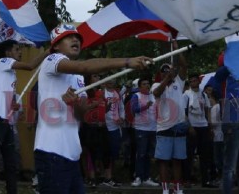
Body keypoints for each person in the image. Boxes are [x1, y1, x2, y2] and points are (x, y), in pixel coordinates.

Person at [34, 24, 151, 194]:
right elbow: (85, 66)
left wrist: (75, 103)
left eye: (77, 37)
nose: (75, 39)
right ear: (56, 46)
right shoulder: (51, 60)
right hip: (51, 153)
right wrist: (127, 62)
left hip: (72, 155)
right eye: (68, 37)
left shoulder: (78, 77)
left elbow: (81, 115)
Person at [0, 40, 50, 194]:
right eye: (17, 49)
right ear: (8, 52)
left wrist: (13, 104)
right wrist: (48, 52)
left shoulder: (9, 70)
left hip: (6, 122)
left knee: (11, 164)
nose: (20, 52)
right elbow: (30, 66)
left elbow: (4, 94)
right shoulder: (4, 61)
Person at [207, 52, 239, 194]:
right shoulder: (221, 75)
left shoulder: (236, 78)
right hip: (231, 122)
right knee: (229, 167)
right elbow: (212, 88)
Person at [152, 41, 188, 194]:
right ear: (161, 74)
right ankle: (165, 190)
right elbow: (156, 94)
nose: (168, 72)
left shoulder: (179, 82)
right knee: (164, 161)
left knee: (177, 160)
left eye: (169, 70)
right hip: (164, 128)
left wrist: (177, 49)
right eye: (164, 71)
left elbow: (184, 66)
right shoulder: (157, 85)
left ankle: (178, 189)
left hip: (179, 126)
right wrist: (166, 79)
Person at [182, 73, 215, 188]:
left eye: (195, 81)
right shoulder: (186, 94)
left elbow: (207, 110)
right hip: (192, 125)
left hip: (203, 125)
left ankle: (205, 180)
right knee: (189, 154)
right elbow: (184, 112)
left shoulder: (203, 94)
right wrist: (189, 126)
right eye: (191, 81)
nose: (193, 83)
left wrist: (209, 125)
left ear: (199, 82)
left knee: (205, 155)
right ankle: (186, 179)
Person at [131, 76, 159, 187]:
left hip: (153, 129)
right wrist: (145, 106)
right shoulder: (136, 96)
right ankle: (138, 177)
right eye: (144, 84)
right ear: (139, 86)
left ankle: (147, 177)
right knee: (141, 154)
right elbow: (134, 109)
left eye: (148, 83)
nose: (146, 85)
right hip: (141, 129)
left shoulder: (153, 96)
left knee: (149, 154)